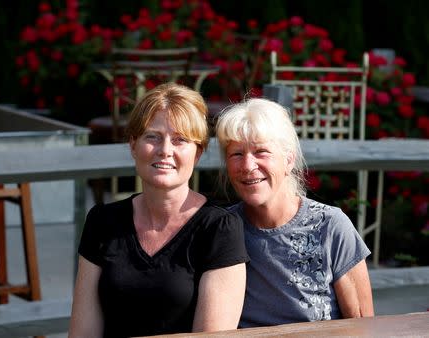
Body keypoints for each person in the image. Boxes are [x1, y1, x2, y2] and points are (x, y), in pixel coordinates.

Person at [69, 83, 249, 338]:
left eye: (180, 140)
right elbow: (83, 334)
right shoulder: (102, 222)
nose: (165, 150)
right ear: (133, 145)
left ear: (197, 153)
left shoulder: (219, 229)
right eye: (152, 136)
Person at [215, 97, 374, 328]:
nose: (248, 166)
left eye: (261, 152)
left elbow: (363, 327)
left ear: (288, 160)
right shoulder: (223, 230)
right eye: (236, 154)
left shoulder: (330, 225)